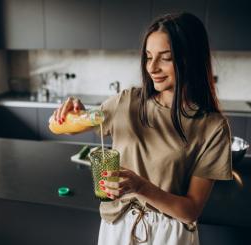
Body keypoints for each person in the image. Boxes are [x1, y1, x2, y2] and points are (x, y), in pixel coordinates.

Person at [52, 12, 232, 245]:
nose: (152, 68)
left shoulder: (213, 127)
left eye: (165, 58)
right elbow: (69, 128)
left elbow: (190, 211)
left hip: (168, 235)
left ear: (191, 58)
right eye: (148, 57)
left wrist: (140, 187)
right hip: (116, 228)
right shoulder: (127, 102)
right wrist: (71, 112)